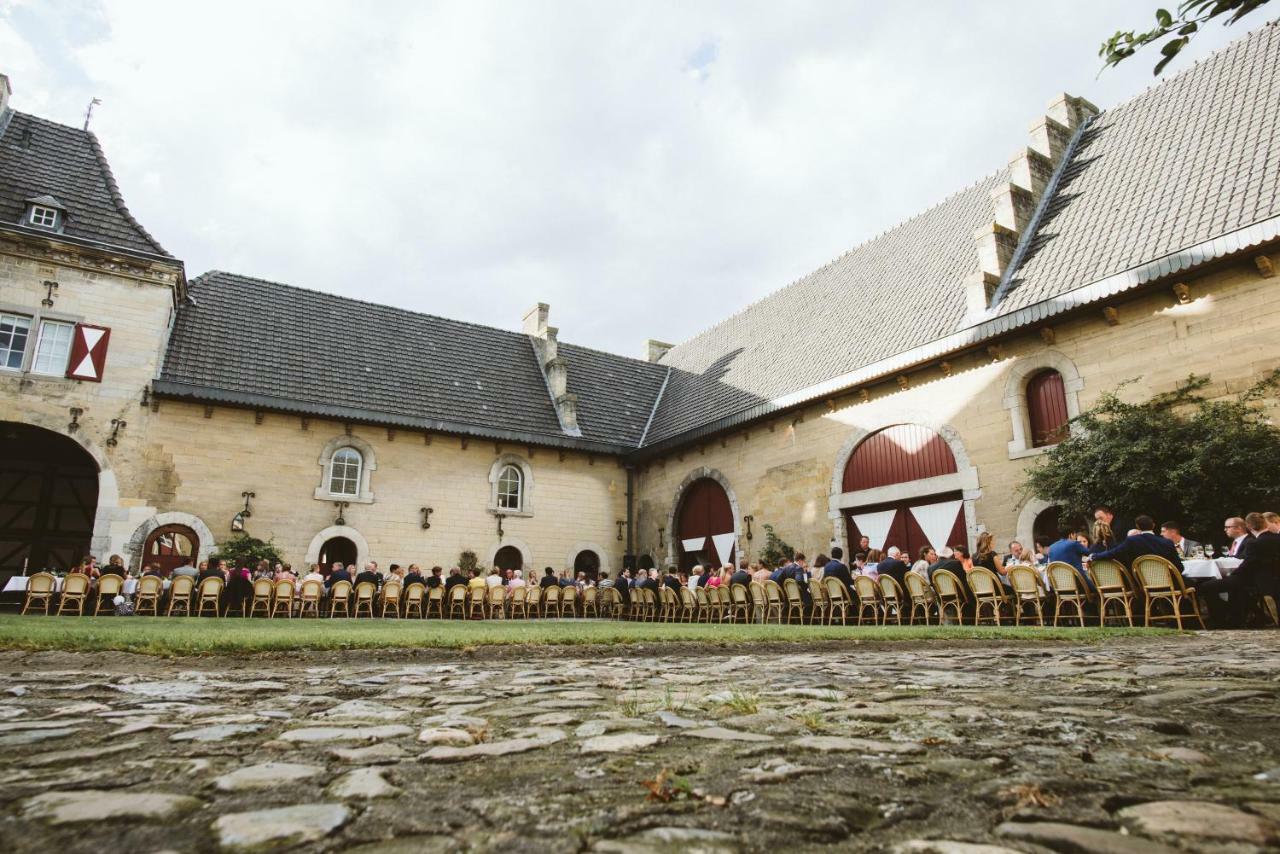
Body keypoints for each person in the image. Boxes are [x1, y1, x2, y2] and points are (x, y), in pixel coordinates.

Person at [1195, 512, 1278, 627]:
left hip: (1255, 579)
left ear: (1248, 527)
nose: (1225, 530)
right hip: (1270, 577)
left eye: (1227, 527)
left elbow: (1248, 565)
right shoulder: (1276, 538)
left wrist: (1233, 574)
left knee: (1207, 586)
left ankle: (1220, 619)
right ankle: (1231, 615)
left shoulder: (1254, 543)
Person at [1093, 515, 1183, 568]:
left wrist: (1094, 556)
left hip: (1144, 584)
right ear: (1153, 525)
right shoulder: (1166, 542)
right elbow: (1179, 567)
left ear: (1138, 527)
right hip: (1170, 583)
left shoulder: (1132, 541)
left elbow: (1114, 552)